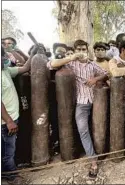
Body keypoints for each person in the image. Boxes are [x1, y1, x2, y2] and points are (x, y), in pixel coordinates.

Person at [47, 39, 108, 179]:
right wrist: (72, 57)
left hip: (97, 102)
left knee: (99, 128)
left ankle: (101, 152)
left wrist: (95, 79)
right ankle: (93, 160)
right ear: (75, 51)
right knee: (83, 130)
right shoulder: (71, 64)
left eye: (84, 49)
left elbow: (106, 73)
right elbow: (51, 64)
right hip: (81, 103)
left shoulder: (92, 64)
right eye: (79, 49)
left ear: (87, 51)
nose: (82, 52)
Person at [1, 45, 33, 181]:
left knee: (10, 150)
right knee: (7, 152)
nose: (5, 59)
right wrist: (8, 121)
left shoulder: (5, 71)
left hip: (13, 117)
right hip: (5, 122)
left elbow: (25, 68)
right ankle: (12, 177)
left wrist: (33, 53)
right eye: (3, 57)